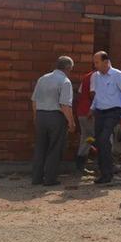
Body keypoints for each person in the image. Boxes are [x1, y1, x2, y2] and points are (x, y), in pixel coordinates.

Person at [30, 56, 76, 186]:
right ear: (68, 68)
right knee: (55, 148)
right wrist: (71, 122)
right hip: (56, 117)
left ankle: (37, 178)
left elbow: (34, 100)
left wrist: (35, 116)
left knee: (40, 147)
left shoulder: (42, 78)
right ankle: (50, 179)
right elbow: (65, 105)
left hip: (40, 115)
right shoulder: (65, 81)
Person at [90, 51, 121, 184]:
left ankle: (107, 173)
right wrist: (92, 108)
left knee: (103, 140)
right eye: (94, 62)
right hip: (100, 112)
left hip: (113, 112)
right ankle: (104, 172)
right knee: (99, 142)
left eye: (97, 62)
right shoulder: (96, 76)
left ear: (106, 62)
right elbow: (98, 95)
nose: (95, 65)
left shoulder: (117, 75)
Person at [73, 67, 96, 173]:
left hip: (82, 112)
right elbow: (93, 94)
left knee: (87, 138)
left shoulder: (87, 76)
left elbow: (79, 95)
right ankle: (105, 163)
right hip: (89, 113)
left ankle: (80, 165)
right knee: (93, 137)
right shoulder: (97, 76)